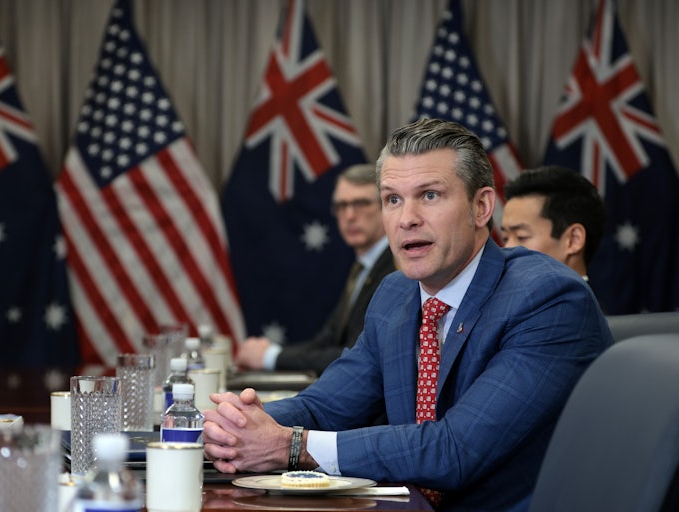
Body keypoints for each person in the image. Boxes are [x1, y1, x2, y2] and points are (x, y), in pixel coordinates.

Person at [203, 118, 613, 511]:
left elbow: (455, 449)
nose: (407, 218)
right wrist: (238, 426)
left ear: (482, 206)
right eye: (392, 199)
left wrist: (289, 446)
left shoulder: (548, 298)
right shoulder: (396, 294)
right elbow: (325, 407)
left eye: (430, 195)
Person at [235, 163, 395, 375]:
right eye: (341, 206)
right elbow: (325, 341)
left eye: (361, 204)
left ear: (386, 206)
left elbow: (358, 354)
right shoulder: (361, 268)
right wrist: (272, 352)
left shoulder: (395, 269)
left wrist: (270, 357)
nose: (349, 216)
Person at [501, 165, 606, 280]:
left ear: (574, 240)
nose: (507, 251)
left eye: (521, 237)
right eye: (505, 238)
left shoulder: (580, 298)